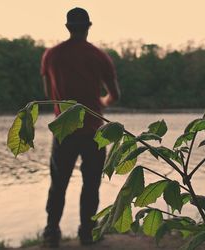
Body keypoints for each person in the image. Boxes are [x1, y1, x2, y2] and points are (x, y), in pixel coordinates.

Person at [40, 7, 120, 247]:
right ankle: (87, 233)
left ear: (67, 27)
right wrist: (102, 103)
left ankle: (51, 233)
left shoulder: (51, 56)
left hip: (63, 132)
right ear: (88, 27)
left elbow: (48, 95)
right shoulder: (100, 56)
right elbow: (114, 94)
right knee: (91, 184)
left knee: (58, 184)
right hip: (95, 131)